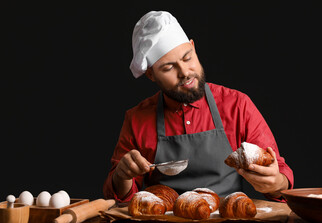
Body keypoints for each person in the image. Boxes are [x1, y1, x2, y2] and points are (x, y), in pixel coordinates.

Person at [103, 11, 294, 203]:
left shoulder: (237, 105)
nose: (185, 72)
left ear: (193, 47)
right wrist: (122, 176)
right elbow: (120, 198)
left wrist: (275, 183)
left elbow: (281, 180)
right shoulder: (137, 119)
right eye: (168, 68)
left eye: (187, 58)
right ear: (151, 75)